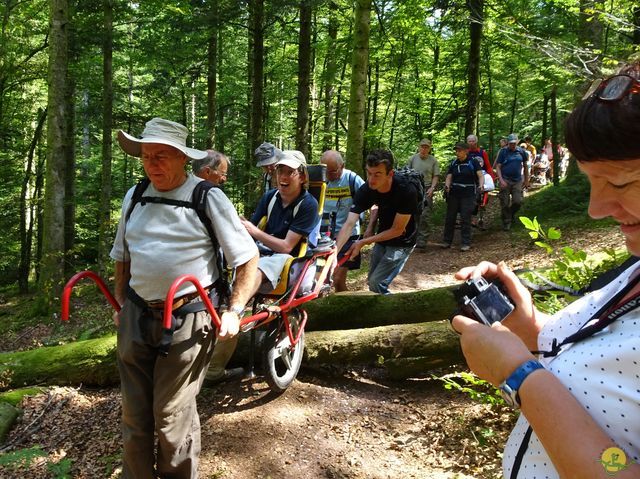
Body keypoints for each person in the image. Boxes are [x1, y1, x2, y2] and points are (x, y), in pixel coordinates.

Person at [451, 61, 640, 478]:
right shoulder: (632, 273)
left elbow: (619, 470)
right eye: (592, 181)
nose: (595, 209)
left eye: (622, 184)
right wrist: (529, 327)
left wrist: (519, 376)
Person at [110, 117, 259, 478]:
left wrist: (234, 311)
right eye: (147, 156)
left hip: (188, 319)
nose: (152, 164)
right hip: (137, 314)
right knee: (134, 414)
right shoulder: (136, 195)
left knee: (171, 416)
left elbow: (247, 258)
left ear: (182, 157)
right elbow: (122, 256)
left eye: (162, 155)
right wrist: (120, 305)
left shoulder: (206, 197)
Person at [335, 149, 419, 295]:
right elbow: (349, 223)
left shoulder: (407, 190)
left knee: (377, 282)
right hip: (382, 236)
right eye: (369, 173)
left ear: (390, 174)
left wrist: (362, 242)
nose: (371, 179)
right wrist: (334, 253)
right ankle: (381, 315)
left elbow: (397, 230)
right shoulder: (367, 189)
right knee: (372, 282)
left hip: (403, 241)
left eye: (377, 174)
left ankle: (394, 313)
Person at [241, 150, 320, 295]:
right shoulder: (269, 197)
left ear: (302, 177)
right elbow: (249, 233)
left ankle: (236, 309)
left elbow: (286, 247)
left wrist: (254, 231)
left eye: (290, 172)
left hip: (290, 260)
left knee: (258, 269)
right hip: (262, 251)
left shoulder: (308, 204)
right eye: (280, 171)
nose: (283, 176)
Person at [320, 149, 366, 291]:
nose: (328, 175)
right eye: (325, 171)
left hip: (348, 236)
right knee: (320, 282)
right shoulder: (319, 179)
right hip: (323, 237)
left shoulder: (353, 180)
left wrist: (370, 229)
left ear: (342, 165)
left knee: (338, 279)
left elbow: (373, 203)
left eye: (332, 171)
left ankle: (347, 309)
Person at [442, 142, 484, 251]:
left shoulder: (473, 162)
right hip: (454, 193)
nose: (457, 152)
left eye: (459, 150)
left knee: (465, 217)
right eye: (456, 150)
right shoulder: (454, 163)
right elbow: (449, 176)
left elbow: (480, 175)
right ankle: (447, 241)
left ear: (466, 151)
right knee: (450, 217)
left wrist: (481, 185)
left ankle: (466, 242)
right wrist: (447, 186)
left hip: (468, 194)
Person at [407, 138, 440, 249]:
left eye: (426, 147)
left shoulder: (433, 161)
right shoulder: (412, 159)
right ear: (419, 146)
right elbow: (406, 174)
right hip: (414, 189)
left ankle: (422, 240)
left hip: (427, 189)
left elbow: (436, 176)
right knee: (413, 214)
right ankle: (413, 238)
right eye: (422, 146)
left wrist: (432, 188)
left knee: (425, 215)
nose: (424, 149)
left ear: (429, 148)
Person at [495, 133, 529, 231]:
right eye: (511, 143)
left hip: (517, 180)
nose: (512, 145)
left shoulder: (521, 152)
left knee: (518, 202)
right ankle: (507, 222)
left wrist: (526, 180)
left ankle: (509, 214)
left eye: (514, 143)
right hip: (505, 179)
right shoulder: (503, 152)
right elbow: (498, 166)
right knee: (504, 202)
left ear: (517, 142)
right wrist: (501, 180)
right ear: (508, 143)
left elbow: (525, 166)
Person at [466, 134, 495, 229]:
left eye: (472, 141)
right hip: (470, 177)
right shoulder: (466, 153)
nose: (471, 143)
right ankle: (471, 218)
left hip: (481, 176)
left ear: (476, 142)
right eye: (469, 141)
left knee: (482, 197)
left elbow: (487, 165)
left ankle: (480, 218)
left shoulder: (482, 153)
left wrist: (492, 177)